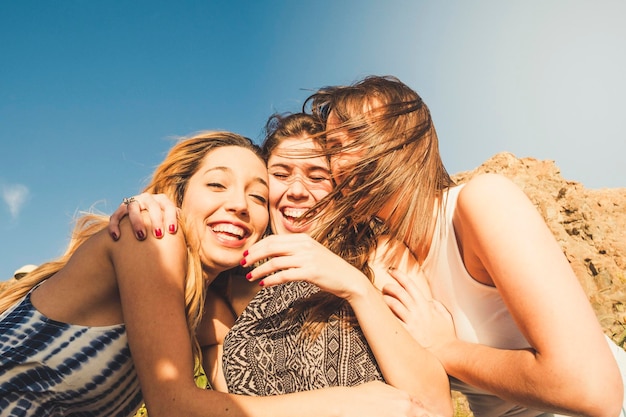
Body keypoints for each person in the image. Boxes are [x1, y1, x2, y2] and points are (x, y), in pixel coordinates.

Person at [0, 130, 427, 417]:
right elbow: (173, 404)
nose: (240, 204)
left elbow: (224, 399)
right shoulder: (152, 234)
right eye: (217, 185)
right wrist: (350, 403)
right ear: (179, 194)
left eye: (258, 196)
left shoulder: (200, 302)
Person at [291, 75, 624, 417]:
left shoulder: (480, 203)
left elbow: (592, 390)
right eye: (334, 147)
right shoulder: (388, 258)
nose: (341, 163)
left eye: (358, 137)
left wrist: (446, 349)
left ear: (410, 140)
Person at [108, 113, 453, 417]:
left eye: (317, 175)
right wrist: (153, 204)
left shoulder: (376, 253)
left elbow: (435, 404)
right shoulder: (228, 279)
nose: (298, 190)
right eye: (281, 174)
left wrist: (356, 286)